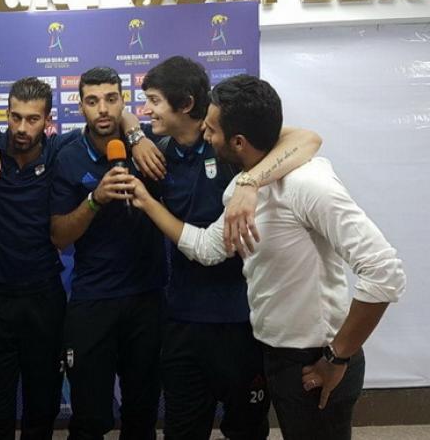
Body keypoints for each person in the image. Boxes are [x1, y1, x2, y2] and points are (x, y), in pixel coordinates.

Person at [129, 74, 406, 440]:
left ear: (238, 142)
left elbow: (384, 272)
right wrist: (148, 202)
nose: (205, 135)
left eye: (211, 129)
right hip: (277, 355)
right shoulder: (238, 189)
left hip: (318, 357)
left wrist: (339, 356)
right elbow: (208, 248)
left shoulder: (309, 184)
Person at [138, 56, 322, 440]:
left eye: (154, 100)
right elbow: (119, 119)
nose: (146, 109)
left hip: (242, 320)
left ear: (186, 104)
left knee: (246, 428)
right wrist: (134, 137)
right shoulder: (155, 146)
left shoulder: (228, 144)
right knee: (182, 430)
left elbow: (308, 139)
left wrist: (250, 182)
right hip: (184, 319)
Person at [0, 77, 162, 440]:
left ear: (48, 121)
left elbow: (109, 120)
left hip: (44, 296)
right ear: (6, 115)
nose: (22, 128)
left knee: (42, 406)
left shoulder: (58, 150)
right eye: (15, 117)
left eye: (33, 119)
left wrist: (135, 132)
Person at [50, 66, 166, 440]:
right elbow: (59, 237)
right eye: (92, 101)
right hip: (93, 298)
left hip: (146, 296)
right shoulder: (67, 155)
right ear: (80, 106)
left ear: (122, 101)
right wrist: (95, 199)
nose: (103, 109)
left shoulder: (149, 144)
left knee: (142, 414)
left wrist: (137, 135)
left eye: (111, 99)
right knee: (89, 418)